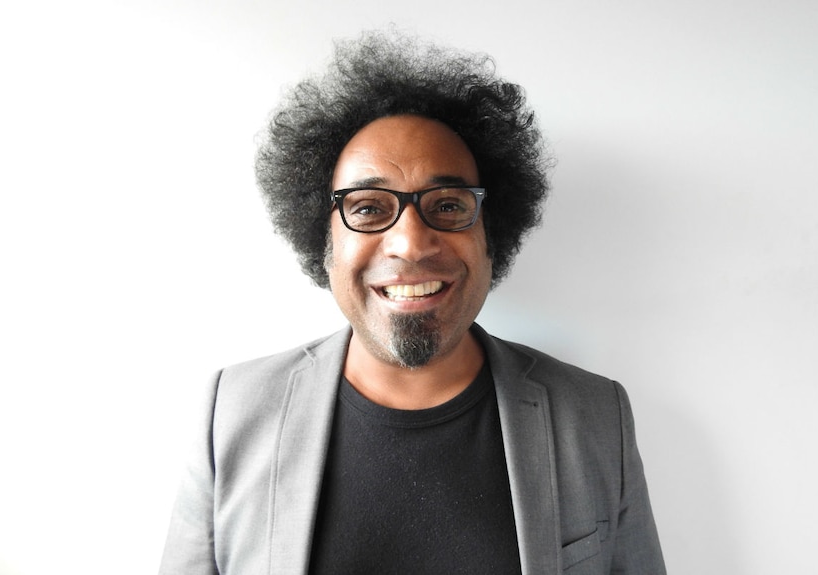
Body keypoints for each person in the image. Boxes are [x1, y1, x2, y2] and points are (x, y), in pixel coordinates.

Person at [159, 30, 666, 575]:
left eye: (447, 205)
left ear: (491, 233)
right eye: (369, 207)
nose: (410, 243)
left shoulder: (594, 415)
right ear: (323, 240)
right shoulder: (231, 412)